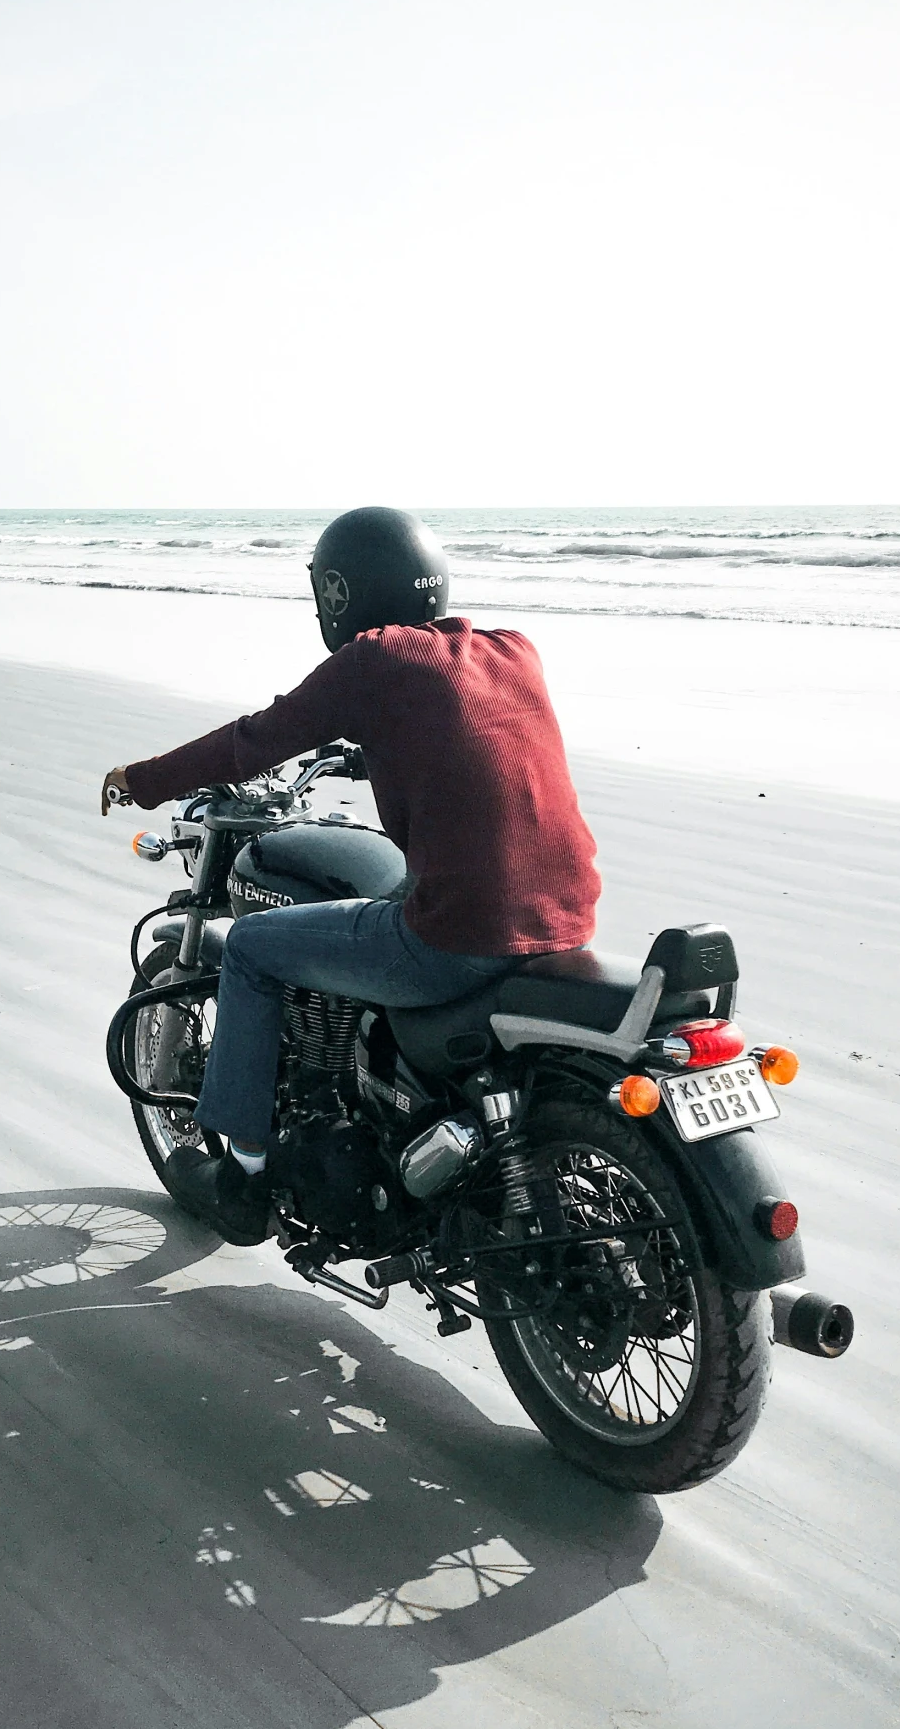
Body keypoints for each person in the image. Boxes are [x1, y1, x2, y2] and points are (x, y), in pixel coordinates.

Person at [102, 506, 600, 1243]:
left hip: (457, 941)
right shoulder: (513, 649)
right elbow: (475, 738)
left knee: (250, 948)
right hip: (567, 923)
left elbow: (254, 743)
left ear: (339, 593)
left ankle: (242, 1177)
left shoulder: (372, 661)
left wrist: (141, 779)